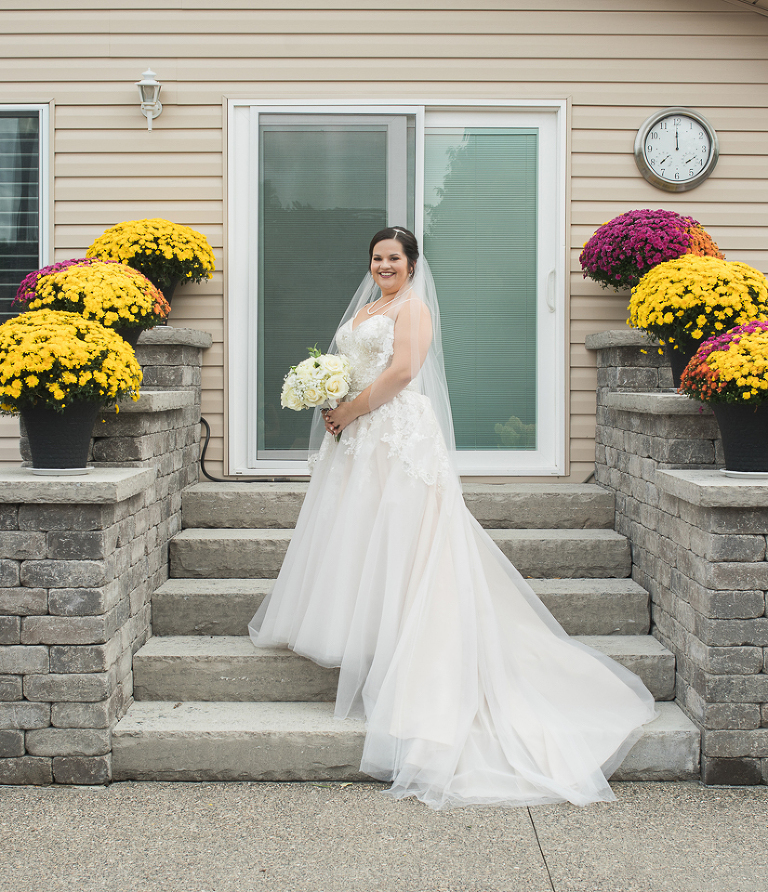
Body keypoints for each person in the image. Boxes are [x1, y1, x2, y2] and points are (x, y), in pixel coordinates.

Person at [250, 227, 656, 809]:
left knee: (411, 544)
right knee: (363, 540)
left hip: (396, 436)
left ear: (412, 265)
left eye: (394, 258)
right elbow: (351, 366)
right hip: (360, 436)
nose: (384, 265)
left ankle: (413, 654)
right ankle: (372, 638)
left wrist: (347, 409)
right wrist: (330, 398)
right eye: (377, 257)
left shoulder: (412, 310)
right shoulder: (369, 306)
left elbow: (401, 373)